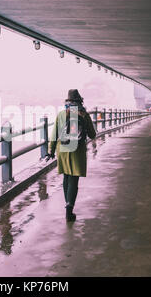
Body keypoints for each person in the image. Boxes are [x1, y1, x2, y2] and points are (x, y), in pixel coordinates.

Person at [47, 89, 96, 222]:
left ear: (67, 101)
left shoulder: (62, 114)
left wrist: (50, 150)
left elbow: (54, 134)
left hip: (62, 149)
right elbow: (93, 134)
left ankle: (67, 205)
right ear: (80, 100)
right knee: (74, 179)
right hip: (77, 150)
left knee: (66, 177)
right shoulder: (84, 114)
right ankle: (70, 208)